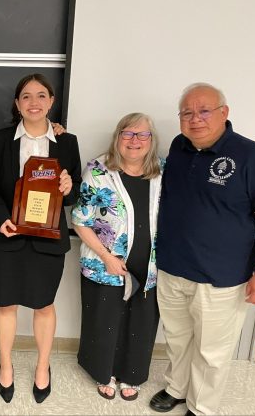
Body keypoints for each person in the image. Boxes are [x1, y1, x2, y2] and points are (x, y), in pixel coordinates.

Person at [150, 83, 255, 416]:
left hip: (222, 275)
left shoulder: (253, 156)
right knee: (177, 339)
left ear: (224, 112)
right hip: (172, 266)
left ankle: (202, 407)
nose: (196, 119)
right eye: (187, 112)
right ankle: (176, 388)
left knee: (212, 352)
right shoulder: (179, 147)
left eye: (204, 110)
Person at [0, 73, 81, 404]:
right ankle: (5, 366)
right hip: (7, 235)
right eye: (26, 96)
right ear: (17, 104)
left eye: (40, 96)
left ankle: (42, 367)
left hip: (48, 239)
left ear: (51, 101)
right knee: (5, 303)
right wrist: (1, 219)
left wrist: (69, 188)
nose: (33, 102)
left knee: (44, 305)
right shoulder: (0, 138)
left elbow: (74, 192)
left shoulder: (67, 142)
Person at [72, 113, 163, 402]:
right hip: (105, 262)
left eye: (142, 135)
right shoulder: (98, 171)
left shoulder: (163, 171)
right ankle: (103, 372)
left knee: (141, 321)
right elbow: (79, 220)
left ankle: (132, 375)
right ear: (117, 137)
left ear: (151, 140)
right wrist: (106, 256)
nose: (134, 141)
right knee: (105, 318)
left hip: (150, 264)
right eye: (127, 134)